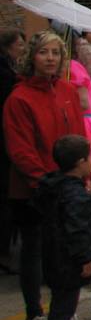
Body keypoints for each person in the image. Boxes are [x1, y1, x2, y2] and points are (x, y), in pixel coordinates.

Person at [3, 30, 87, 320]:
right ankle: (34, 314)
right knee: (35, 252)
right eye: (44, 52)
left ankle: (63, 312)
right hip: (35, 190)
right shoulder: (19, 97)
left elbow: (80, 135)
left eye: (56, 53)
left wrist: (81, 176)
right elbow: (20, 149)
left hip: (67, 187)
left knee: (65, 254)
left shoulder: (66, 90)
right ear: (31, 57)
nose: (50, 58)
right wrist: (45, 182)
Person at [35, 134, 91, 320]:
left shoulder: (53, 185)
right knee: (63, 305)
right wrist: (86, 258)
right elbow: (78, 229)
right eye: (89, 157)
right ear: (81, 162)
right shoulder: (74, 195)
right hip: (67, 259)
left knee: (62, 302)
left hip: (52, 253)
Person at [0, 28, 26, 272]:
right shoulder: (6, 74)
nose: (22, 48)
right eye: (19, 44)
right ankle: (4, 251)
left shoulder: (10, 70)